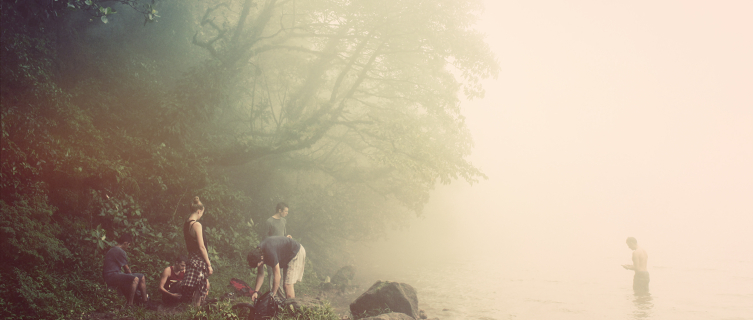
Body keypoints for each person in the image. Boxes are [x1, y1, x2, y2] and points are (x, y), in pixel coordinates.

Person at [246, 236, 306, 302]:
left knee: (288, 285)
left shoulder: (270, 252)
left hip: (296, 252)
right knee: (285, 285)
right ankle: (288, 306)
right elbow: (260, 274)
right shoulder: (257, 254)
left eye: (259, 264)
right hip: (288, 255)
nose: (260, 266)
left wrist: (272, 295)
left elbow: (278, 276)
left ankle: (292, 309)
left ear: (261, 258)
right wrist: (256, 292)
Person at [181, 196, 213, 306]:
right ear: (199, 211)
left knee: (201, 286)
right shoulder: (197, 225)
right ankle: (196, 312)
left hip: (191, 258)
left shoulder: (186, 224)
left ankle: (195, 311)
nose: (201, 215)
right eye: (202, 213)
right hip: (199, 260)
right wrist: (208, 264)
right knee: (200, 289)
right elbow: (202, 247)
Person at [102, 233, 149, 307]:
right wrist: (132, 278)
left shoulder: (115, 249)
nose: (128, 247)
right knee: (135, 279)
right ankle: (130, 304)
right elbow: (126, 269)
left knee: (142, 276)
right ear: (125, 243)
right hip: (111, 275)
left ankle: (145, 302)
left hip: (115, 274)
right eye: (128, 245)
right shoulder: (119, 250)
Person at [264, 202, 292, 296]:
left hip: (282, 252)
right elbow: (265, 239)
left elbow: (283, 235)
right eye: (285, 211)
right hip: (271, 252)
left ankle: (280, 297)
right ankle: (272, 296)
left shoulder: (283, 221)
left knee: (280, 275)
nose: (287, 213)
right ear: (280, 210)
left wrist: (287, 237)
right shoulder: (269, 221)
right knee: (272, 274)